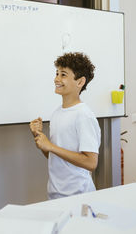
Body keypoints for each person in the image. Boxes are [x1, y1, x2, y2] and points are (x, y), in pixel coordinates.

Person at [29, 52, 101, 199]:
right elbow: (53, 155)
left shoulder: (84, 115)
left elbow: (91, 162)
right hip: (55, 194)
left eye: (63, 75)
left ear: (80, 82)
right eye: (56, 73)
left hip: (78, 195)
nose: (56, 79)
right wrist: (39, 137)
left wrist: (50, 146)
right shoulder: (56, 113)